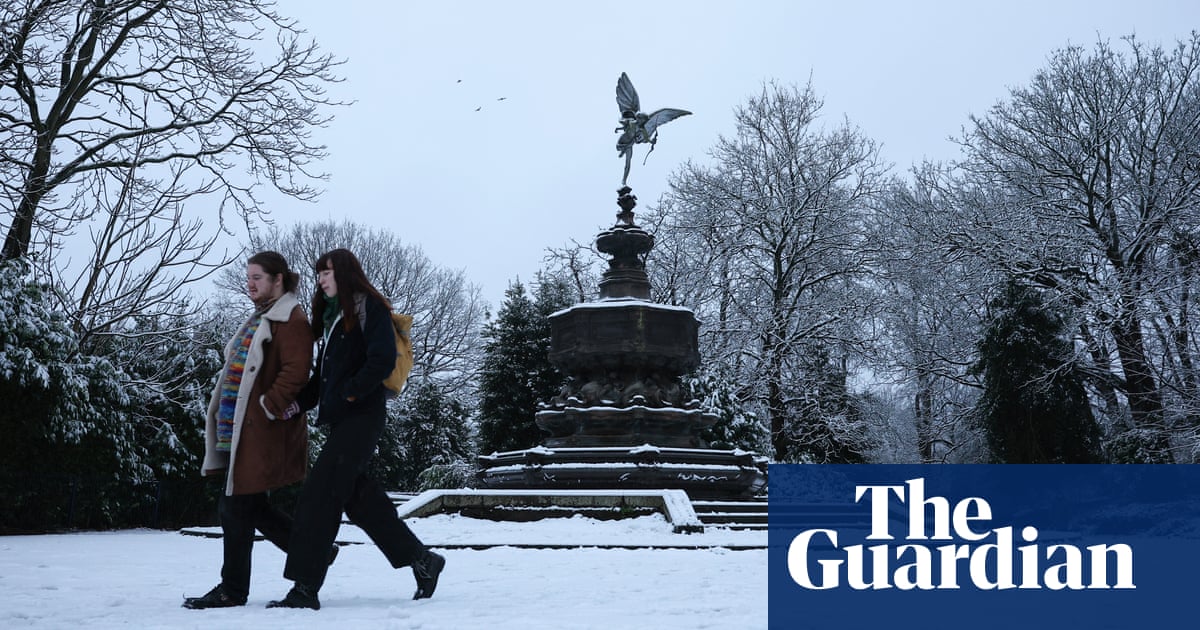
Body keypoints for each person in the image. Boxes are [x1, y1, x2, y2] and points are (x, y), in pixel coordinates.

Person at [268, 248, 445, 610]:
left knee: (320, 494)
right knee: (359, 500)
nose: (321, 279)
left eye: (327, 272)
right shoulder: (335, 319)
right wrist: (298, 404)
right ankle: (422, 560)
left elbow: (382, 359)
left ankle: (305, 587)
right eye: (318, 274)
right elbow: (323, 378)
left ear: (345, 273)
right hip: (344, 421)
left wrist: (352, 391)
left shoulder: (369, 307)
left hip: (363, 416)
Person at [184, 251, 329, 609]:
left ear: (278, 279)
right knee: (250, 508)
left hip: (259, 431)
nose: (250, 284)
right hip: (239, 431)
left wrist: (268, 407)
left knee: (234, 508)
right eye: (248, 277)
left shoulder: (290, 318)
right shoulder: (262, 315)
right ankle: (314, 551)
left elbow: (297, 371)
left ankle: (232, 590)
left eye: (257, 278)